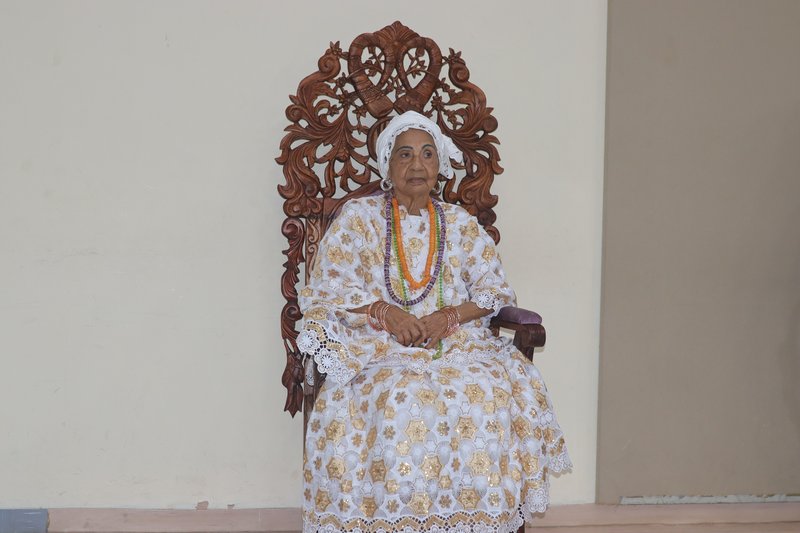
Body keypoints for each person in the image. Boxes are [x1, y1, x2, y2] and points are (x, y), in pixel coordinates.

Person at [296, 111, 570, 533]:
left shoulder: (460, 224)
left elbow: (495, 290)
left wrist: (449, 316)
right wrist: (385, 313)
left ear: (439, 166)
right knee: (399, 396)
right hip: (378, 349)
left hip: (458, 344)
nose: (417, 165)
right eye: (404, 155)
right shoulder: (358, 218)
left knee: (485, 392)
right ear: (387, 166)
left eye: (427, 154)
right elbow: (326, 288)